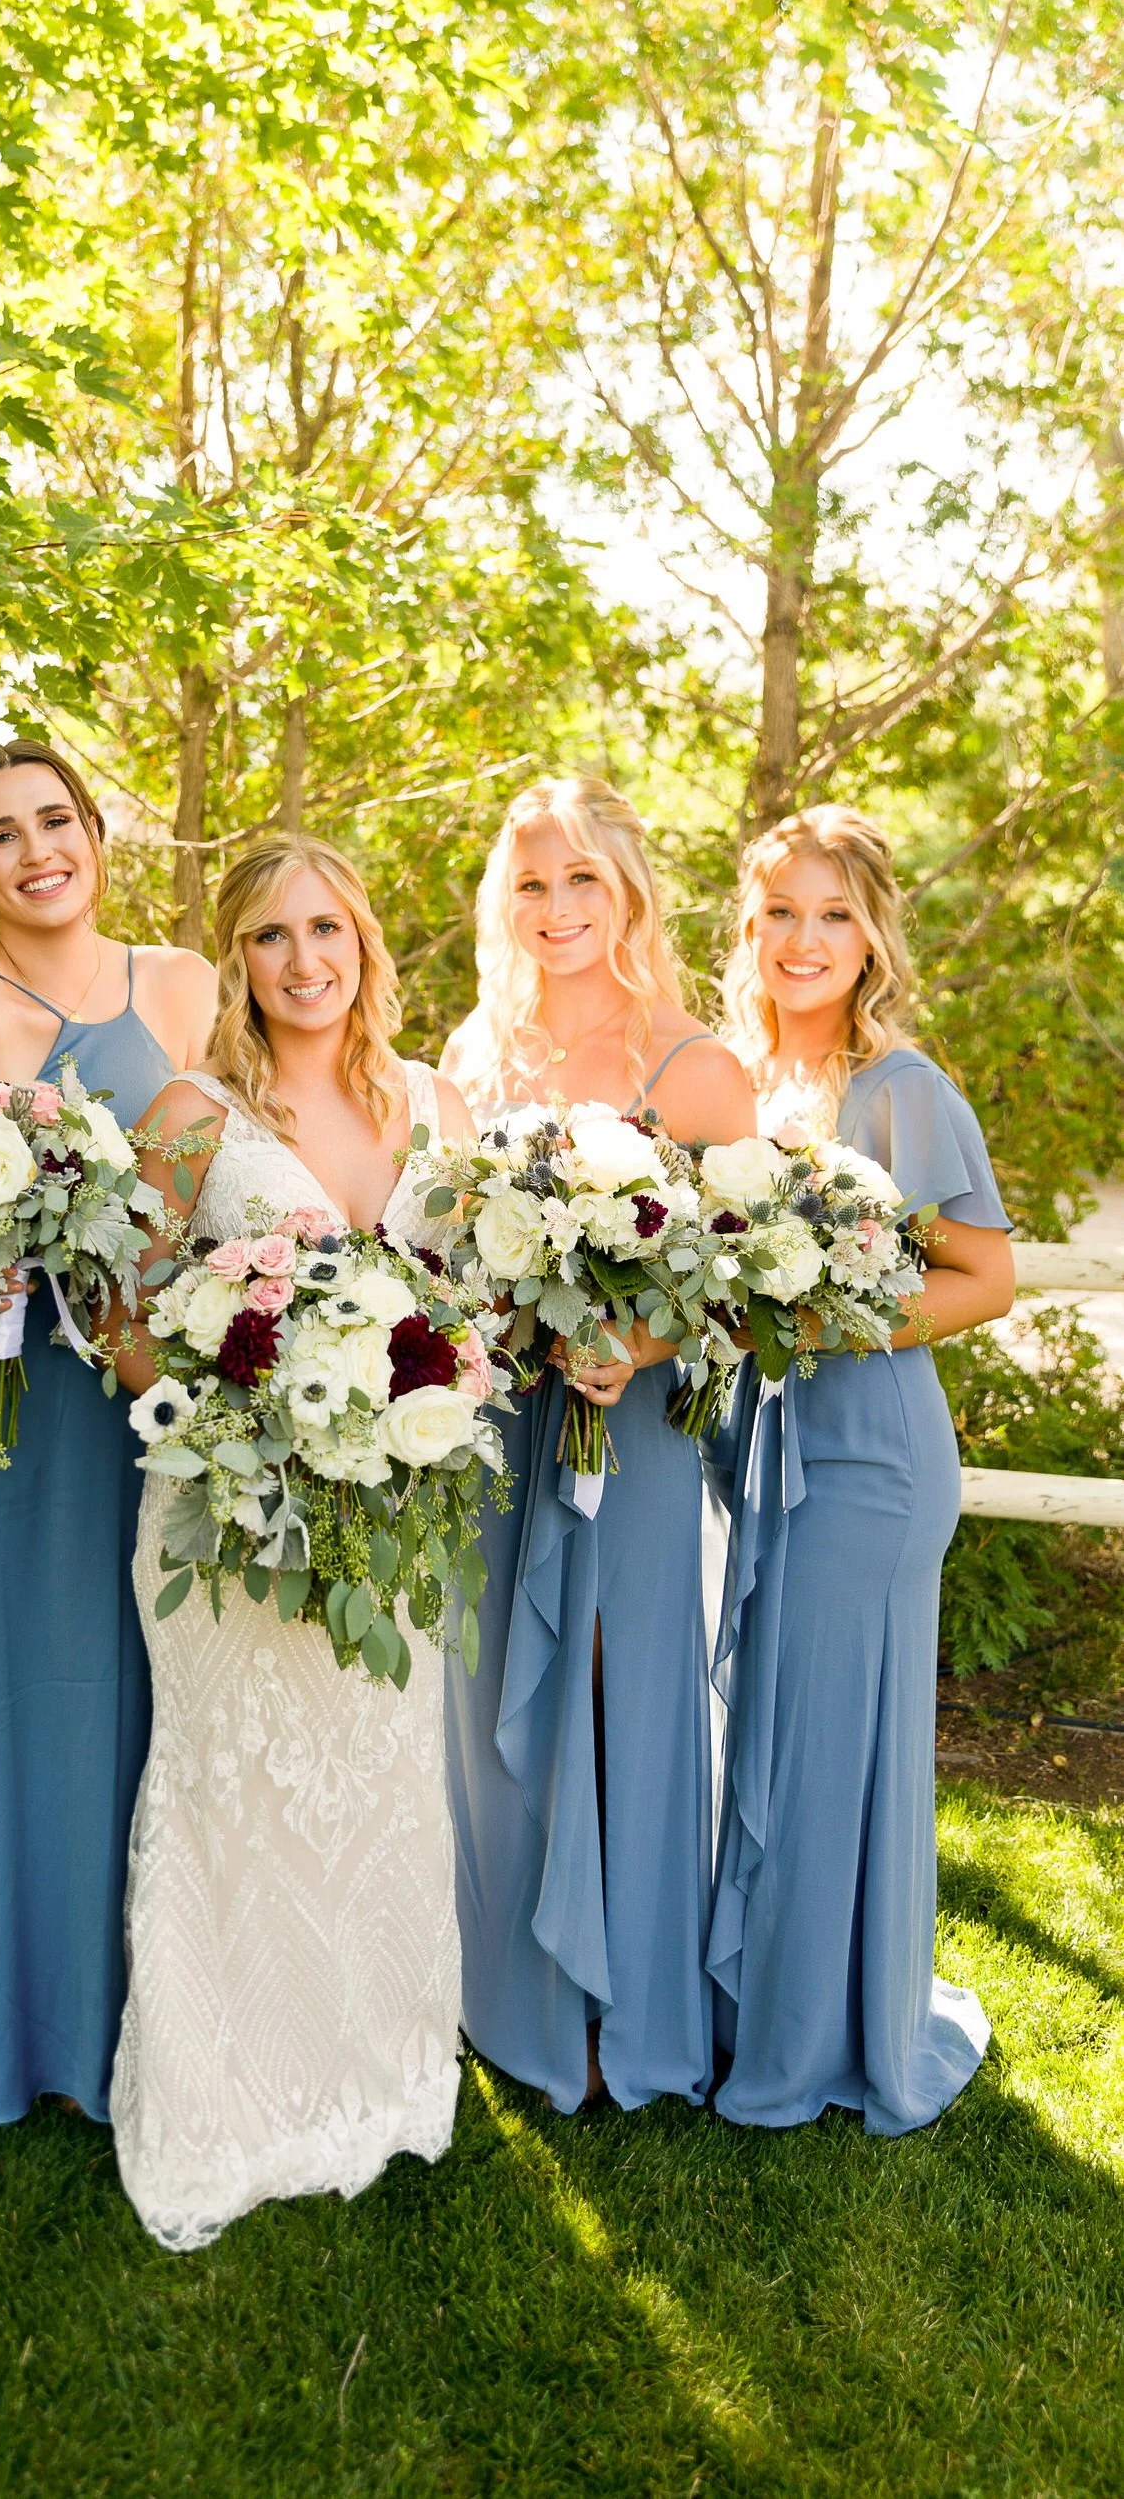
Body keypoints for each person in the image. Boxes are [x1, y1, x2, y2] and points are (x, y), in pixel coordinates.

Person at [108, 833, 475, 2250]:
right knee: (235, 1786)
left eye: (328, 929)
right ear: (238, 960)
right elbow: (119, 1308)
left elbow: (466, 1307)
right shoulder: (193, 1111)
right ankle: (225, 2099)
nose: (305, 960)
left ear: (365, 943)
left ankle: (379, 2076)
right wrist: (226, 1434)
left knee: (378, 1780)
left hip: (392, 1518)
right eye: (271, 936)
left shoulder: (432, 1099)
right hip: (230, 1516)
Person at [0, 740, 215, 2126]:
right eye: (0, 836)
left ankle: (157, 2002)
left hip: (164, 1400)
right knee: (31, 1697)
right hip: (12, 1425)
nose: (36, 852)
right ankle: (20, 2017)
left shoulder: (185, 985)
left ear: (96, 834)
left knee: (151, 1693)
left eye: (55, 820)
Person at [439, 775, 757, 2113]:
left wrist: (645, 1343)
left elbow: (747, 1286)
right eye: (530, 883)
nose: (557, 908)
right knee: (494, 1705)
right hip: (500, 1427)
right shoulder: (468, 1058)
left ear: (627, 887)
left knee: (629, 1696)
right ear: (499, 904)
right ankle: (514, 1999)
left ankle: (635, 2013)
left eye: (581, 879)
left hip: (636, 1439)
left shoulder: (693, 1066)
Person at [710, 803, 1015, 2132]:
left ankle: (813, 2045)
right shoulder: (730, 1082)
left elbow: (984, 1280)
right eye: (780, 909)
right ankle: (760, 2002)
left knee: (823, 1745)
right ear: (745, 926)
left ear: (870, 933)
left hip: (867, 1462)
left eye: (832, 913)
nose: (803, 938)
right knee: (763, 1742)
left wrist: (820, 1318)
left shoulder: (900, 1088)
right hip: (754, 1456)